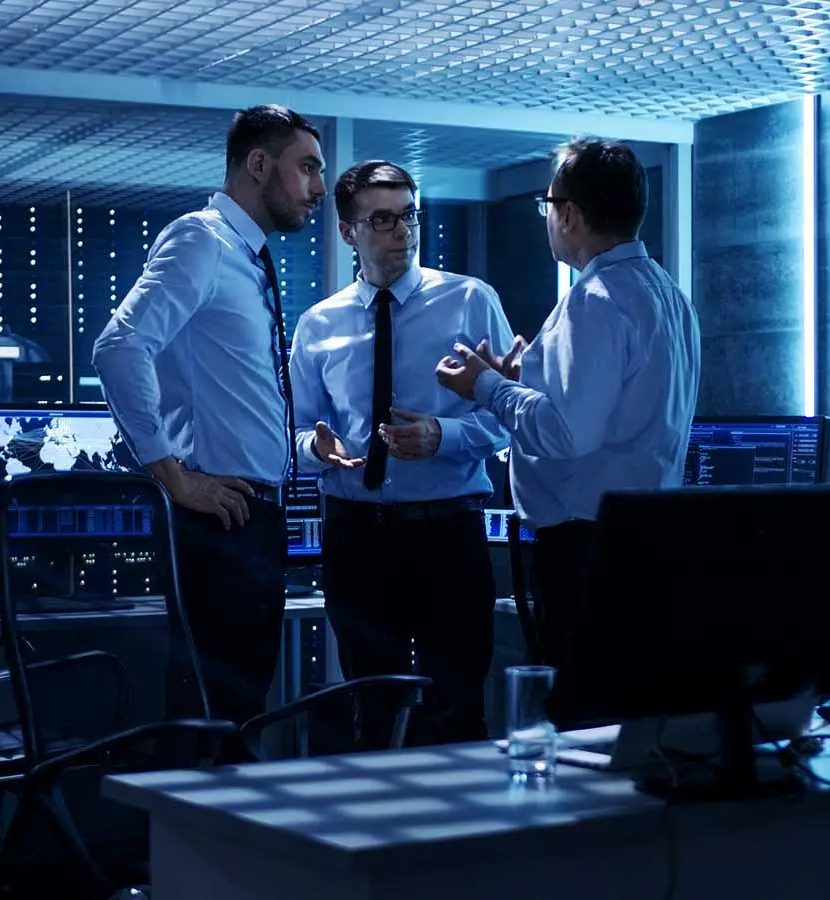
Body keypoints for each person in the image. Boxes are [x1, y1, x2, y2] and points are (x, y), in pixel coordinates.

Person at [92, 105, 326, 728]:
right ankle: (184, 828)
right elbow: (119, 348)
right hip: (219, 519)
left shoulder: (246, 257)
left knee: (235, 711)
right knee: (211, 716)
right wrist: (173, 476)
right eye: (306, 168)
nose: (320, 188)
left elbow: (236, 401)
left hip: (251, 516)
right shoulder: (202, 239)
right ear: (257, 164)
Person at [436, 137, 701, 684]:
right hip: (643, 532)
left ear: (572, 215)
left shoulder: (595, 299)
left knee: (586, 704)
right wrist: (521, 381)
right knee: (623, 698)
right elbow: (613, 409)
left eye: (548, 206)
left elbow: (565, 435)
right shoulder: (669, 295)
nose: (547, 219)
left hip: (586, 543)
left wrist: (486, 387)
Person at [290, 160, 514, 746]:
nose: (403, 232)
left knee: (458, 711)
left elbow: (509, 419)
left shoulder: (470, 301)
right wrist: (316, 449)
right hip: (356, 536)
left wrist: (444, 436)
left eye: (410, 216)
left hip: (449, 535)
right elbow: (292, 435)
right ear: (347, 232)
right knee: (373, 712)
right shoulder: (318, 326)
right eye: (383, 219)